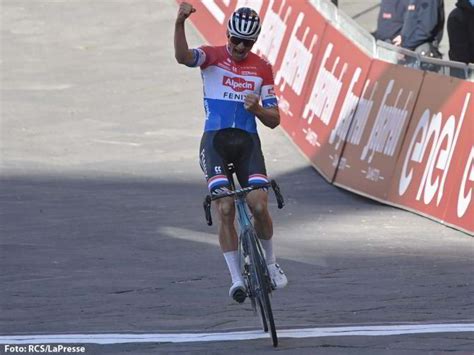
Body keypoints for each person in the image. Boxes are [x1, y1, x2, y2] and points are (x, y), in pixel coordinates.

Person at [174, 2, 288, 303]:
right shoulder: (211, 56)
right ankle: (236, 278)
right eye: (235, 39)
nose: (239, 46)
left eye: (246, 42)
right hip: (215, 143)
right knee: (225, 208)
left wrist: (258, 109)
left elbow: (275, 121)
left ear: (255, 41)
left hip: (248, 143)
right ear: (228, 35)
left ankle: (272, 263)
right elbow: (183, 57)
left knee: (260, 206)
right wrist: (179, 24)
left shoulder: (262, 69)